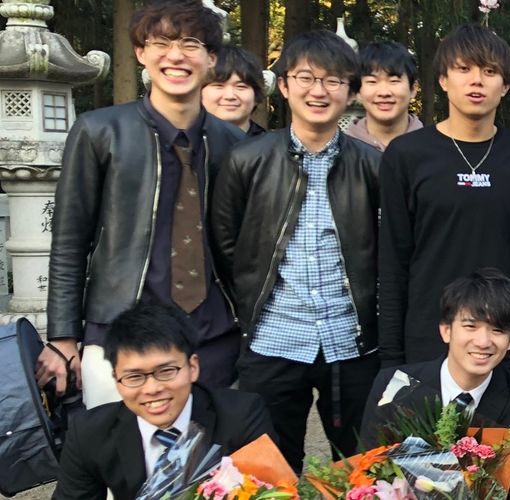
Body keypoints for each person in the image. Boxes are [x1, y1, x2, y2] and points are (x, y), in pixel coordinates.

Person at [39, 1, 244, 408]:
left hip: (214, 334)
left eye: (190, 44)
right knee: (118, 445)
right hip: (119, 327)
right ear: (140, 53)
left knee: (210, 444)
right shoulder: (99, 132)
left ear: (211, 58)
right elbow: (69, 240)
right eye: (161, 43)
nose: (175, 55)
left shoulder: (234, 144)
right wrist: (62, 337)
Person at [209, 30, 383, 472]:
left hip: (351, 341)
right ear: (284, 86)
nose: (318, 91)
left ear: (351, 91)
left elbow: (386, 251)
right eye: (306, 77)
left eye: (333, 80)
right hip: (272, 338)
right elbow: (226, 246)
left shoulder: (373, 165)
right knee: (270, 473)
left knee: (362, 469)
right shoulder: (247, 160)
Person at [378, 24, 510, 375]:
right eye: (464, 69)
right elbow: (392, 264)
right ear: (443, 79)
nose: (476, 81)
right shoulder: (407, 155)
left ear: (505, 86)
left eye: (490, 71)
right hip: (429, 348)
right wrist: (391, 359)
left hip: (508, 348)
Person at [52, 301, 274, 499]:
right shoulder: (90, 432)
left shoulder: (241, 416)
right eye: (134, 377)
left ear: (193, 367)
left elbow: (272, 492)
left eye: (166, 371)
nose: (152, 389)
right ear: (116, 379)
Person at [361, 270, 510, 497]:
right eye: (471, 326)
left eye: (497, 330)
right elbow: (366, 472)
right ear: (446, 330)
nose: (483, 342)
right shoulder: (397, 385)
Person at [347, 41, 422, 151]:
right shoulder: (341, 151)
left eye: (394, 81)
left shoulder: (435, 148)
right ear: (357, 91)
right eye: (372, 81)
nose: (384, 92)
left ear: (413, 89)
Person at [201, 46, 268, 136]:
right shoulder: (186, 141)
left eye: (241, 87)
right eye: (219, 86)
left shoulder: (275, 144)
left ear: (256, 96)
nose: (230, 96)